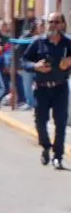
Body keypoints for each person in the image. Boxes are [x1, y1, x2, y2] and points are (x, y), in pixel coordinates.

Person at [21, 11, 71, 168]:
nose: (54, 25)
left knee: (61, 123)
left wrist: (69, 62)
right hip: (42, 89)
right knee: (40, 122)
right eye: (51, 22)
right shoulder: (38, 42)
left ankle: (58, 157)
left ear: (63, 24)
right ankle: (46, 146)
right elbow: (24, 61)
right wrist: (35, 66)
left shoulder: (68, 43)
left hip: (60, 88)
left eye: (57, 22)